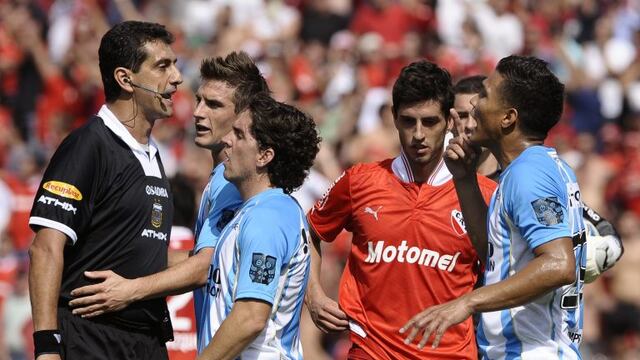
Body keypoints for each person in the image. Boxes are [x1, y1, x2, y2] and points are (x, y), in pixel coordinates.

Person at [305, 60, 497, 359]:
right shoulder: (360, 180)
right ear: (393, 118)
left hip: (449, 354)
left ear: (449, 120)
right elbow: (308, 232)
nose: (418, 134)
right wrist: (314, 294)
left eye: (429, 122)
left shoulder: (482, 194)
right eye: (408, 121)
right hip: (371, 350)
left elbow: (502, 267)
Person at [401, 55, 587, 358]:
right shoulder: (537, 168)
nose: (474, 105)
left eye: (485, 95)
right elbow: (491, 251)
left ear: (508, 118)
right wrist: (464, 180)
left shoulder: (529, 174)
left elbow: (559, 265)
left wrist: (467, 302)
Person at [67, 52, 270, 325]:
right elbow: (210, 258)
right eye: (199, 100)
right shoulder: (222, 178)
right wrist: (112, 255)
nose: (198, 112)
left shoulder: (235, 183)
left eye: (214, 105)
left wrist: (130, 290)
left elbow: (203, 268)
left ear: (245, 117)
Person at [28, 20, 182, 360]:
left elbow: (141, 254)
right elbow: (45, 249)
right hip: (92, 339)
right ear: (125, 79)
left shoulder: (152, 155)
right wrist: (46, 347)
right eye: (162, 66)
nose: (177, 78)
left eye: (174, 64)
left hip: (146, 342)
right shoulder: (88, 146)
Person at [452, 75, 623, 283]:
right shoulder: (436, 180)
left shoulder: (524, 182)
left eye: (476, 114)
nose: (470, 124)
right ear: (448, 120)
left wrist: (590, 258)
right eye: (461, 116)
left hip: (504, 310)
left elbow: (608, 237)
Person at [196, 95, 321, 359]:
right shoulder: (261, 210)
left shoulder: (268, 217)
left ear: (265, 155)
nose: (227, 140)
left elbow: (251, 316)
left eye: (239, 135)